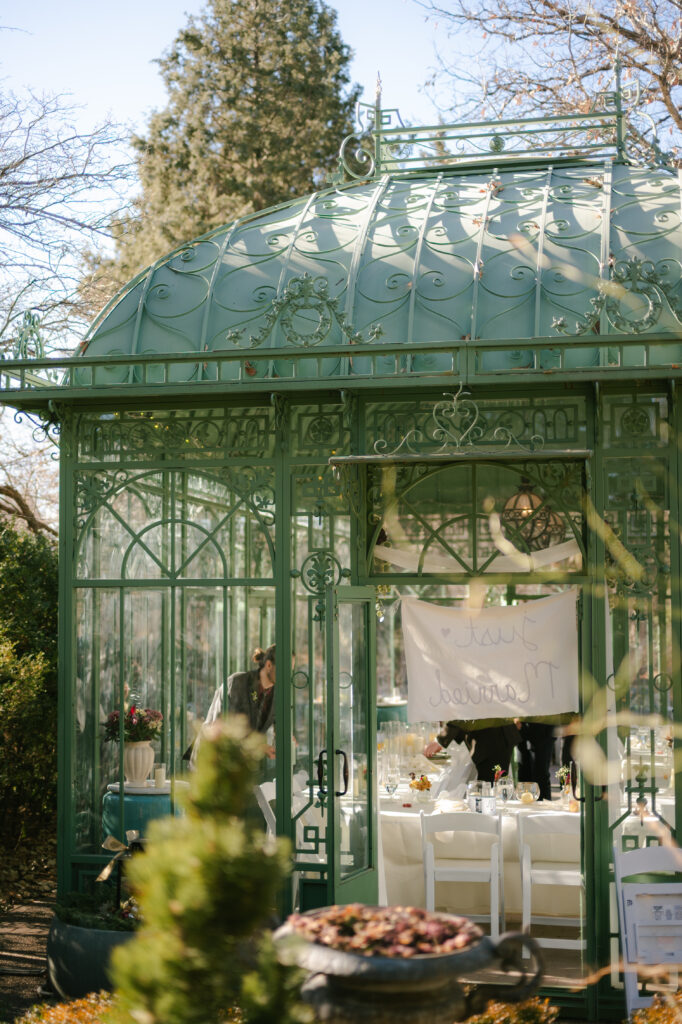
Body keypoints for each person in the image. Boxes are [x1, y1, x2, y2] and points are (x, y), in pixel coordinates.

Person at [189, 644, 276, 764]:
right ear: (269, 665)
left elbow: (277, 722)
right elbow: (225, 727)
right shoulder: (237, 682)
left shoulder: (276, 694)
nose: (289, 675)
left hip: (239, 764)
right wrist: (258, 746)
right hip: (212, 758)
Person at [424, 721, 521, 784]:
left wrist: (441, 739)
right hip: (493, 735)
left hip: (493, 738)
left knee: (491, 787)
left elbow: (464, 710)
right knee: (492, 784)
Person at [517, 721, 555, 801]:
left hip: (543, 729)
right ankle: (526, 803)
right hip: (522, 728)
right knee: (524, 772)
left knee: (541, 774)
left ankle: (544, 805)